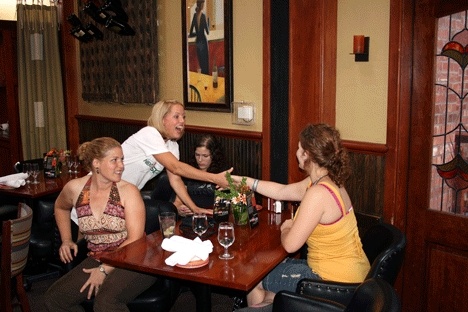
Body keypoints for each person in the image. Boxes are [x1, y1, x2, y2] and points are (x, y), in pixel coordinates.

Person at [232, 124, 370, 308]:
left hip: (332, 283)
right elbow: (282, 191)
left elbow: (290, 244)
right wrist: (245, 182)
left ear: (307, 155)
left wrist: (287, 227)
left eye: (299, 148)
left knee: (254, 273)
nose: (296, 152)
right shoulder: (328, 181)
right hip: (353, 275)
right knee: (271, 283)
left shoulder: (318, 193)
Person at [45, 137, 157, 311]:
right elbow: (60, 207)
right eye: (114, 160)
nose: (121, 166)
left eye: (122, 159)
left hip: (135, 259)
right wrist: (67, 239)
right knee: (54, 300)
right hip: (98, 256)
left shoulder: (128, 192)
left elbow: (135, 240)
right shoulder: (75, 188)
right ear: (96, 163)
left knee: (106, 302)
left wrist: (104, 269)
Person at [121, 99, 231, 216]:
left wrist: (195, 209)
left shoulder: (172, 146)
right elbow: (176, 167)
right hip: (109, 189)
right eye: (176, 116)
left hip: (128, 194)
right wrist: (215, 178)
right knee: (163, 211)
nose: (182, 121)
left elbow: (176, 180)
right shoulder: (149, 133)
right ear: (162, 119)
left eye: (183, 117)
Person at [170, 134, 229, 214]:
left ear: (214, 155)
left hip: (213, 216)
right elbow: (177, 202)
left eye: (205, 156)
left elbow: (226, 206)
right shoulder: (188, 170)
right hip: (190, 217)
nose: (200, 160)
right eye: (197, 155)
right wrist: (180, 208)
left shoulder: (222, 172)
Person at [189, 0, 210, 75]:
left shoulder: (195, 16)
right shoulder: (203, 16)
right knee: (205, 65)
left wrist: (197, 34)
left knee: (201, 64)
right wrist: (208, 23)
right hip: (203, 42)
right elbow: (207, 32)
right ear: (202, 5)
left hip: (197, 42)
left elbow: (191, 33)